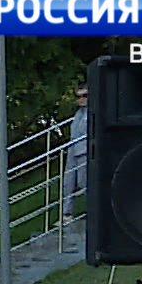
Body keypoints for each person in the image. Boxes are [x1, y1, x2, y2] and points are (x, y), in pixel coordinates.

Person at [62, 84, 88, 221]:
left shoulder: (93, 112)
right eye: (78, 96)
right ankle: (66, 213)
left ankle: (93, 210)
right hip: (73, 149)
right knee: (68, 181)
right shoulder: (78, 114)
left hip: (84, 150)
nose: (81, 99)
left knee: (84, 181)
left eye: (85, 96)